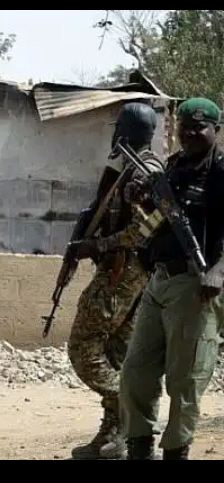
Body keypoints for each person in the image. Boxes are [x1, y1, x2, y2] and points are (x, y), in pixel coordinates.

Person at [119, 97, 224, 460]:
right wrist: (138, 198)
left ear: (216, 130)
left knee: (186, 379)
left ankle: (176, 450)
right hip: (159, 280)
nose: (190, 134)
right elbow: (156, 217)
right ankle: (138, 445)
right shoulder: (174, 166)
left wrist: (217, 272)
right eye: (184, 127)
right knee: (135, 371)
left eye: (199, 127)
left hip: (197, 284)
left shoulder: (220, 173)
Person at [64, 102, 166, 459]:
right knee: (115, 354)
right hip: (131, 274)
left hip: (125, 272)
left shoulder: (143, 172)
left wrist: (98, 245)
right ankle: (114, 437)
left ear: (125, 131)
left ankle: (131, 408)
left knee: (82, 346)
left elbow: (144, 230)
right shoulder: (132, 166)